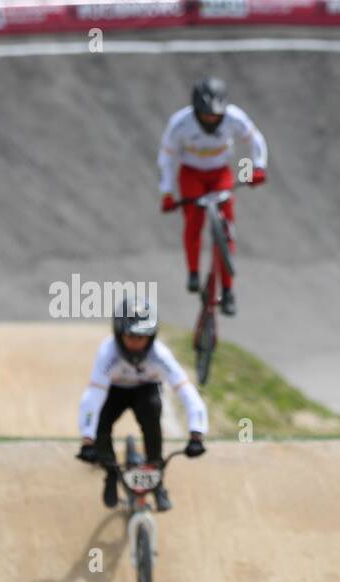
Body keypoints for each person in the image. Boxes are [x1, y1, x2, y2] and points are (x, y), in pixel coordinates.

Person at [77, 297, 207, 510]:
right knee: (101, 422)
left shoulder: (160, 355)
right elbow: (93, 398)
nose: (137, 342)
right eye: (131, 336)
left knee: (152, 414)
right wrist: (87, 440)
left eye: (143, 337)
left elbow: (187, 392)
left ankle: (157, 480)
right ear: (119, 333)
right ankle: (111, 474)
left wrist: (196, 434)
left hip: (145, 391)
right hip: (114, 393)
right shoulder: (107, 354)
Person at [157, 76, 268, 316]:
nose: (211, 119)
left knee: (227, 230)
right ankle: (194, 272)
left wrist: (257, 167)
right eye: (206, 115)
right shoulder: (179, 124)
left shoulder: (234, 117)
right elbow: (166, 159)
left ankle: (228, 292)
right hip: (191, 174)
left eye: (216, 116)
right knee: (194, 221)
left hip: (220, 174)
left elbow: (255, 140)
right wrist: (167, 192)